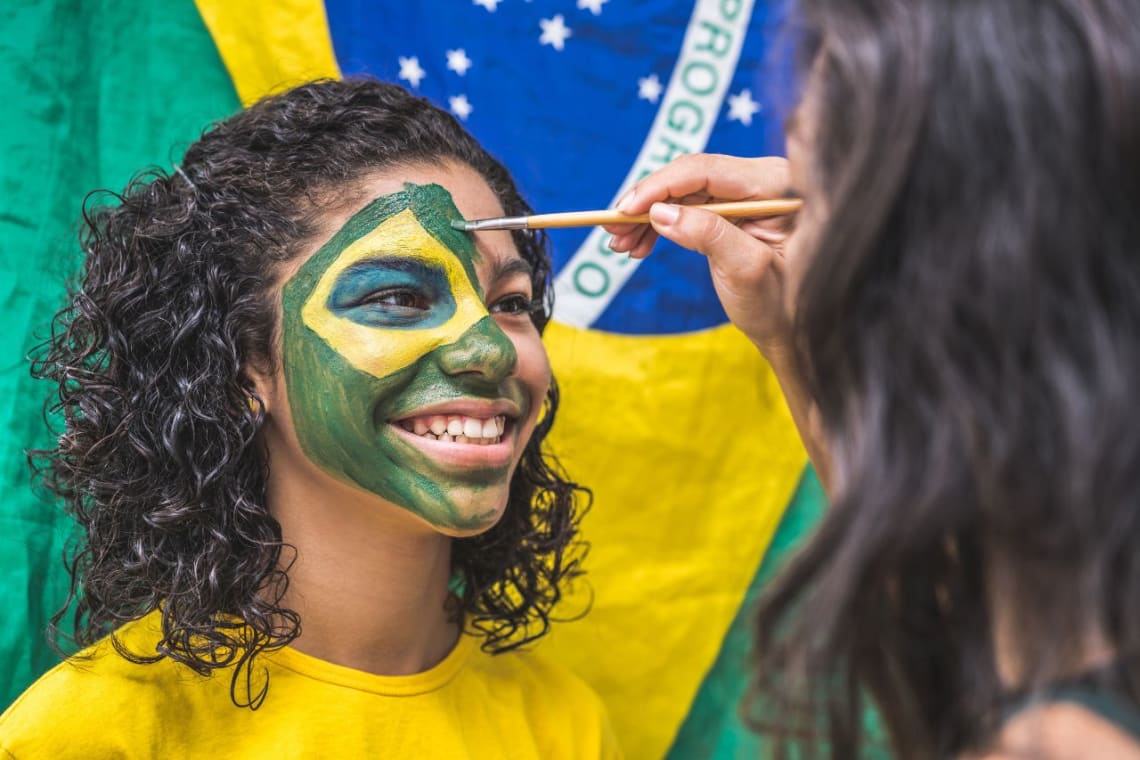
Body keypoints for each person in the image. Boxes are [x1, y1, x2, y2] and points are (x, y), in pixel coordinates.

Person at [0, 78, 618, 758]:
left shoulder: (566, 730)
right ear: (240, 363)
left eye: (511, 302)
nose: (492, 348)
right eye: (397, 296)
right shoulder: (92, 737)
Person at [608, 0, 1140, 757]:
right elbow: (945, 602)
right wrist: (787, 337)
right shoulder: (1070, 596)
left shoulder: (1068, 741)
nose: (786, 207)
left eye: (816, 184)